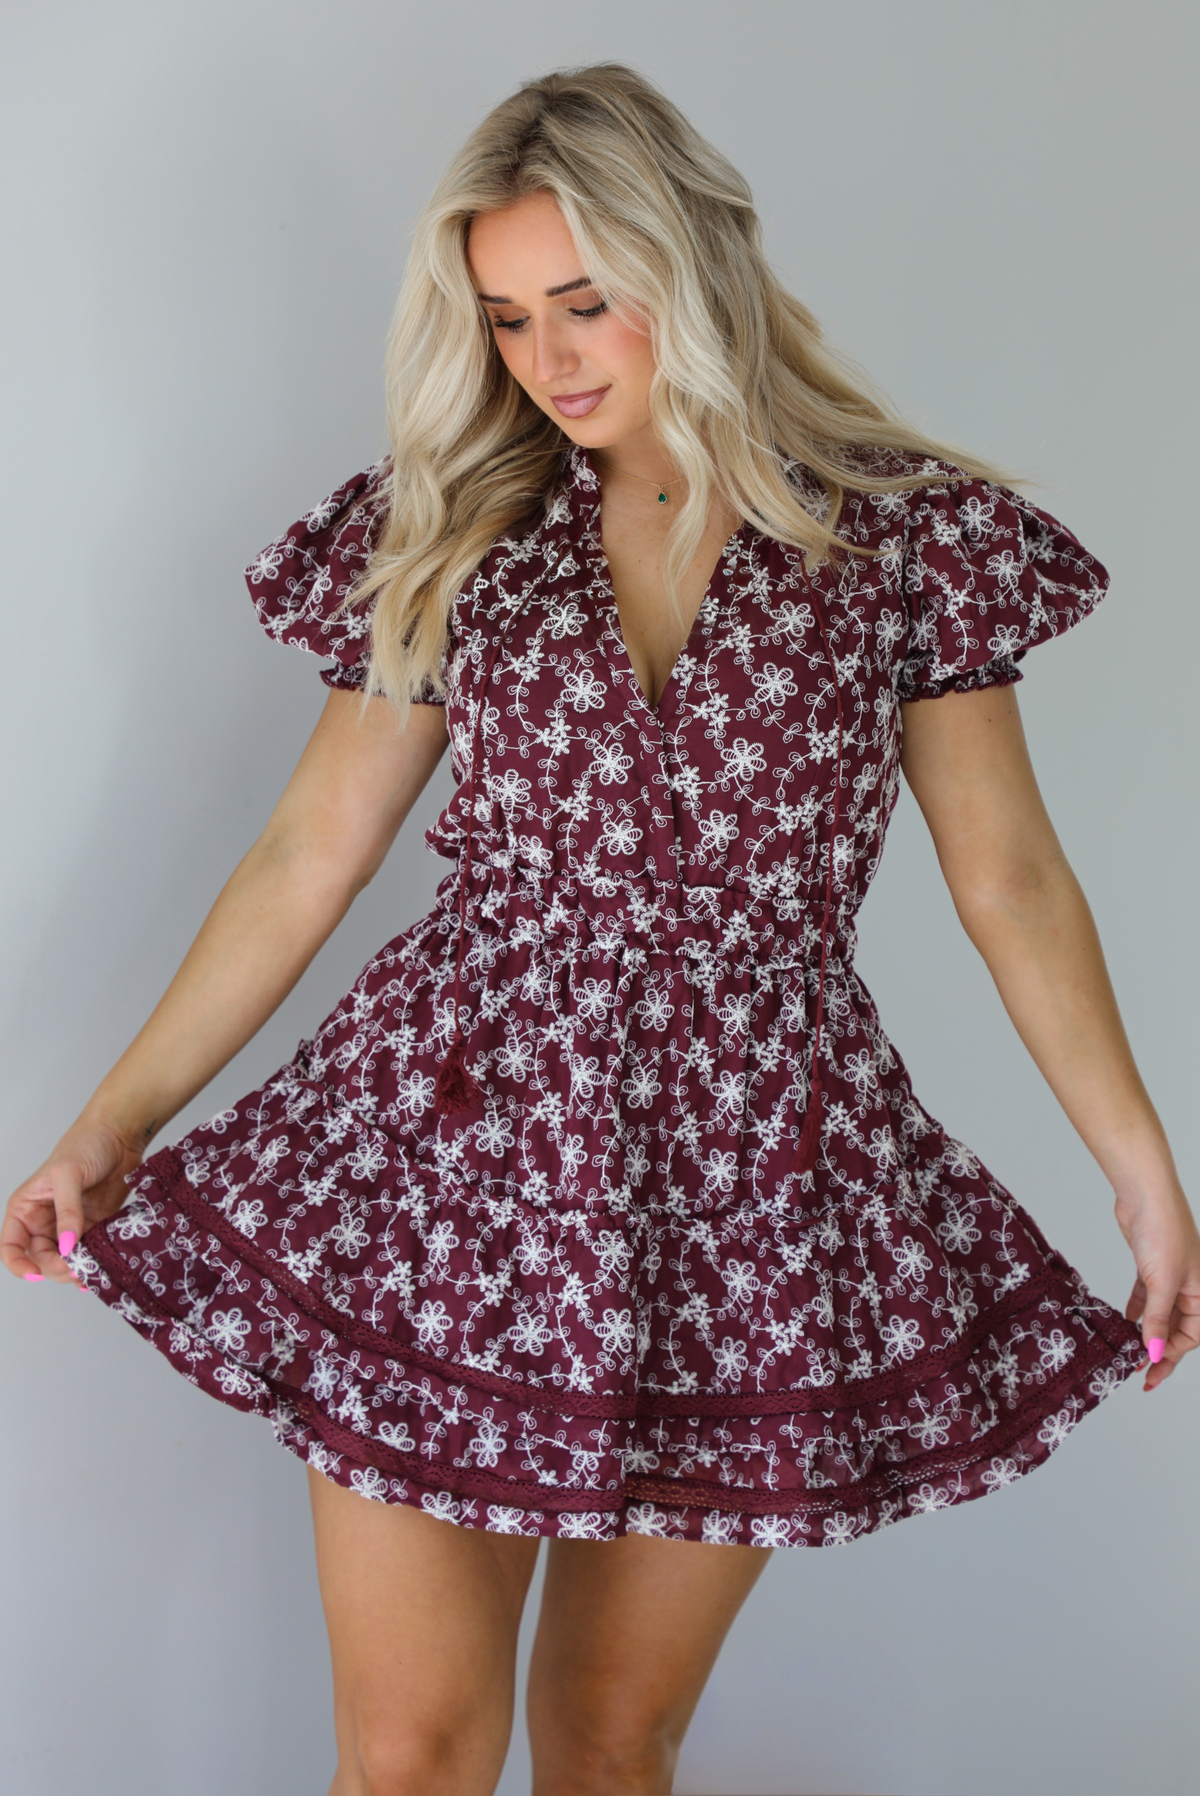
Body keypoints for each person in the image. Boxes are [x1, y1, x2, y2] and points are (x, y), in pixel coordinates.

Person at [5, 60, 1199, 1796]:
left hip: (743, 1184)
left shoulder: (908, 540)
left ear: (691, 269)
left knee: (605, 1739)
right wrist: (109, 1127)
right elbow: (307, 854)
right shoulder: (458, 529)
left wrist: (1144, 1170)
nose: (551, 359)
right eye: (505, 320)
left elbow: (1008, 876)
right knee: (409, 1755)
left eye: (586, 303)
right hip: (451, 1159)